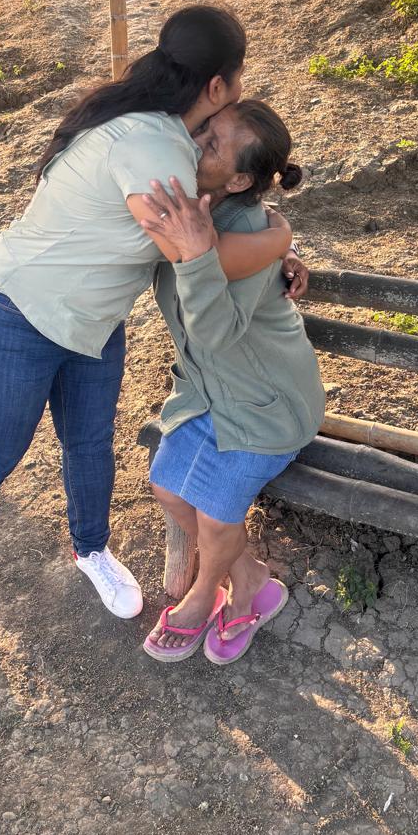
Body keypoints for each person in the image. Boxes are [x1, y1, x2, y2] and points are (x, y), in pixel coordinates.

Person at [0, 6, 298, 672]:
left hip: (92, 322)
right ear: (218, 85)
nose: (241, 90)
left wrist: (279, 246)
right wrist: (280, 241)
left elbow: (219, 220)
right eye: (239, 78)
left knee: (89, 443)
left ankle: (91, 547)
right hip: (16, 311)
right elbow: (197, 252)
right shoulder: (155, 146)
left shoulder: (165, 133)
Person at [141, 100, 325, 665]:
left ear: (240, 180)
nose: (196, 142)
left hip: (266, 403)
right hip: (208, 392)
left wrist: (201, 255)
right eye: (202, 130)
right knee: (169, 489)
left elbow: (216, 335)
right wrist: (284, 243)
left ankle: (206, 595)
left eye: (213, 144)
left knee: (218, 515)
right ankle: (250, 579)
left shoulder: (241, 228)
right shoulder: (196, 204)